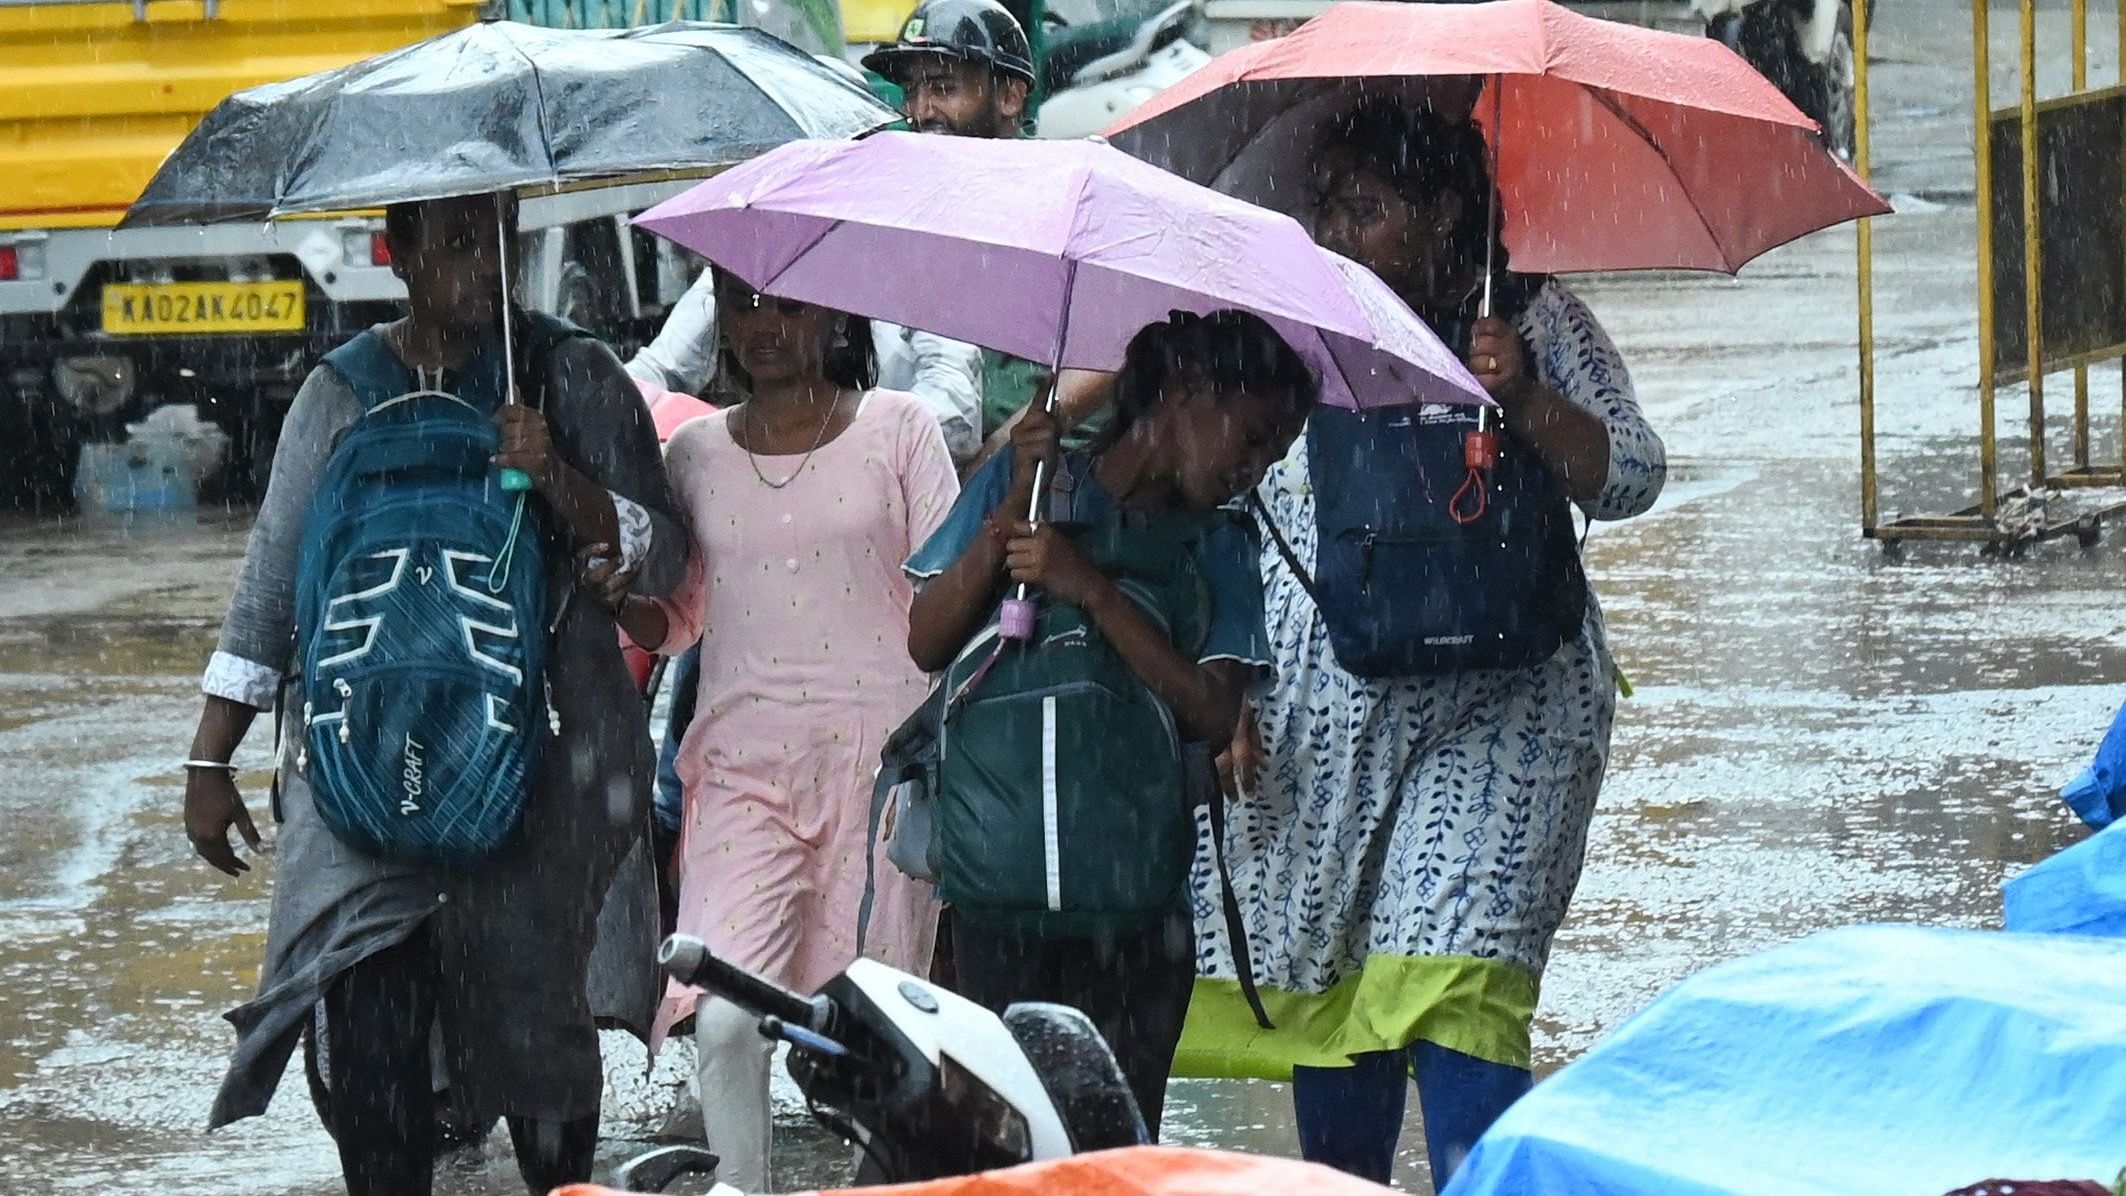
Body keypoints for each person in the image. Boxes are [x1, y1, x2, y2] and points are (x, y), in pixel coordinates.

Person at [1180, 101, 1669, 1187]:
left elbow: (1630, 474)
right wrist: (1224, 683)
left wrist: (1525, 398)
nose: (1343, 234)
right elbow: (1218, 500)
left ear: (1444, 210)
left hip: (1507, 710)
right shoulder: (1292, 334)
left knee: (1456, 975)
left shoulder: (1531, 324)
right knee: (1339, 991)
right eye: (1331, 212)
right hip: (1326, 715)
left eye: (1368, 208)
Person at [181, 191, 686, 1195]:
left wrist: (556, 477)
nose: (488, 266)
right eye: (457, 243)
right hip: (364, 758)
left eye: (502, 240)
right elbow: (274, 580)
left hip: (546, 757)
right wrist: (209, 756)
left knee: (538, 1011)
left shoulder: (574, 373)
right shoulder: (339, 392)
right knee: (369, 1015)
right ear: (396, 253)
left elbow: (665, 557)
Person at [589, 274, 960, 1193]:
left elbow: (957, 604)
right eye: (741, 304)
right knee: (721, 1016)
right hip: (743, 773)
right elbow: (676, 622)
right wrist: (616, 597)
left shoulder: (902, 429)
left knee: (885, 1035)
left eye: (787, 304)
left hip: (882, 776)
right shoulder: (693, 454)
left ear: (837, 310)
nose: (762, 326)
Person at [903, 309, 1316, 1135]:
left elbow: (1210, 710)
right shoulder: (1031, 480)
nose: (1256, 468)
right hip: (993, 907)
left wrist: (1091, 588)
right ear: (1187, 390)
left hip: (1137, 922)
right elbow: (926, 639)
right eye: (1254, 436)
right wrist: (1015, 502)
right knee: (1002, 1162)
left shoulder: (1220, 544)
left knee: (1114, 1161)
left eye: (1275, 454)